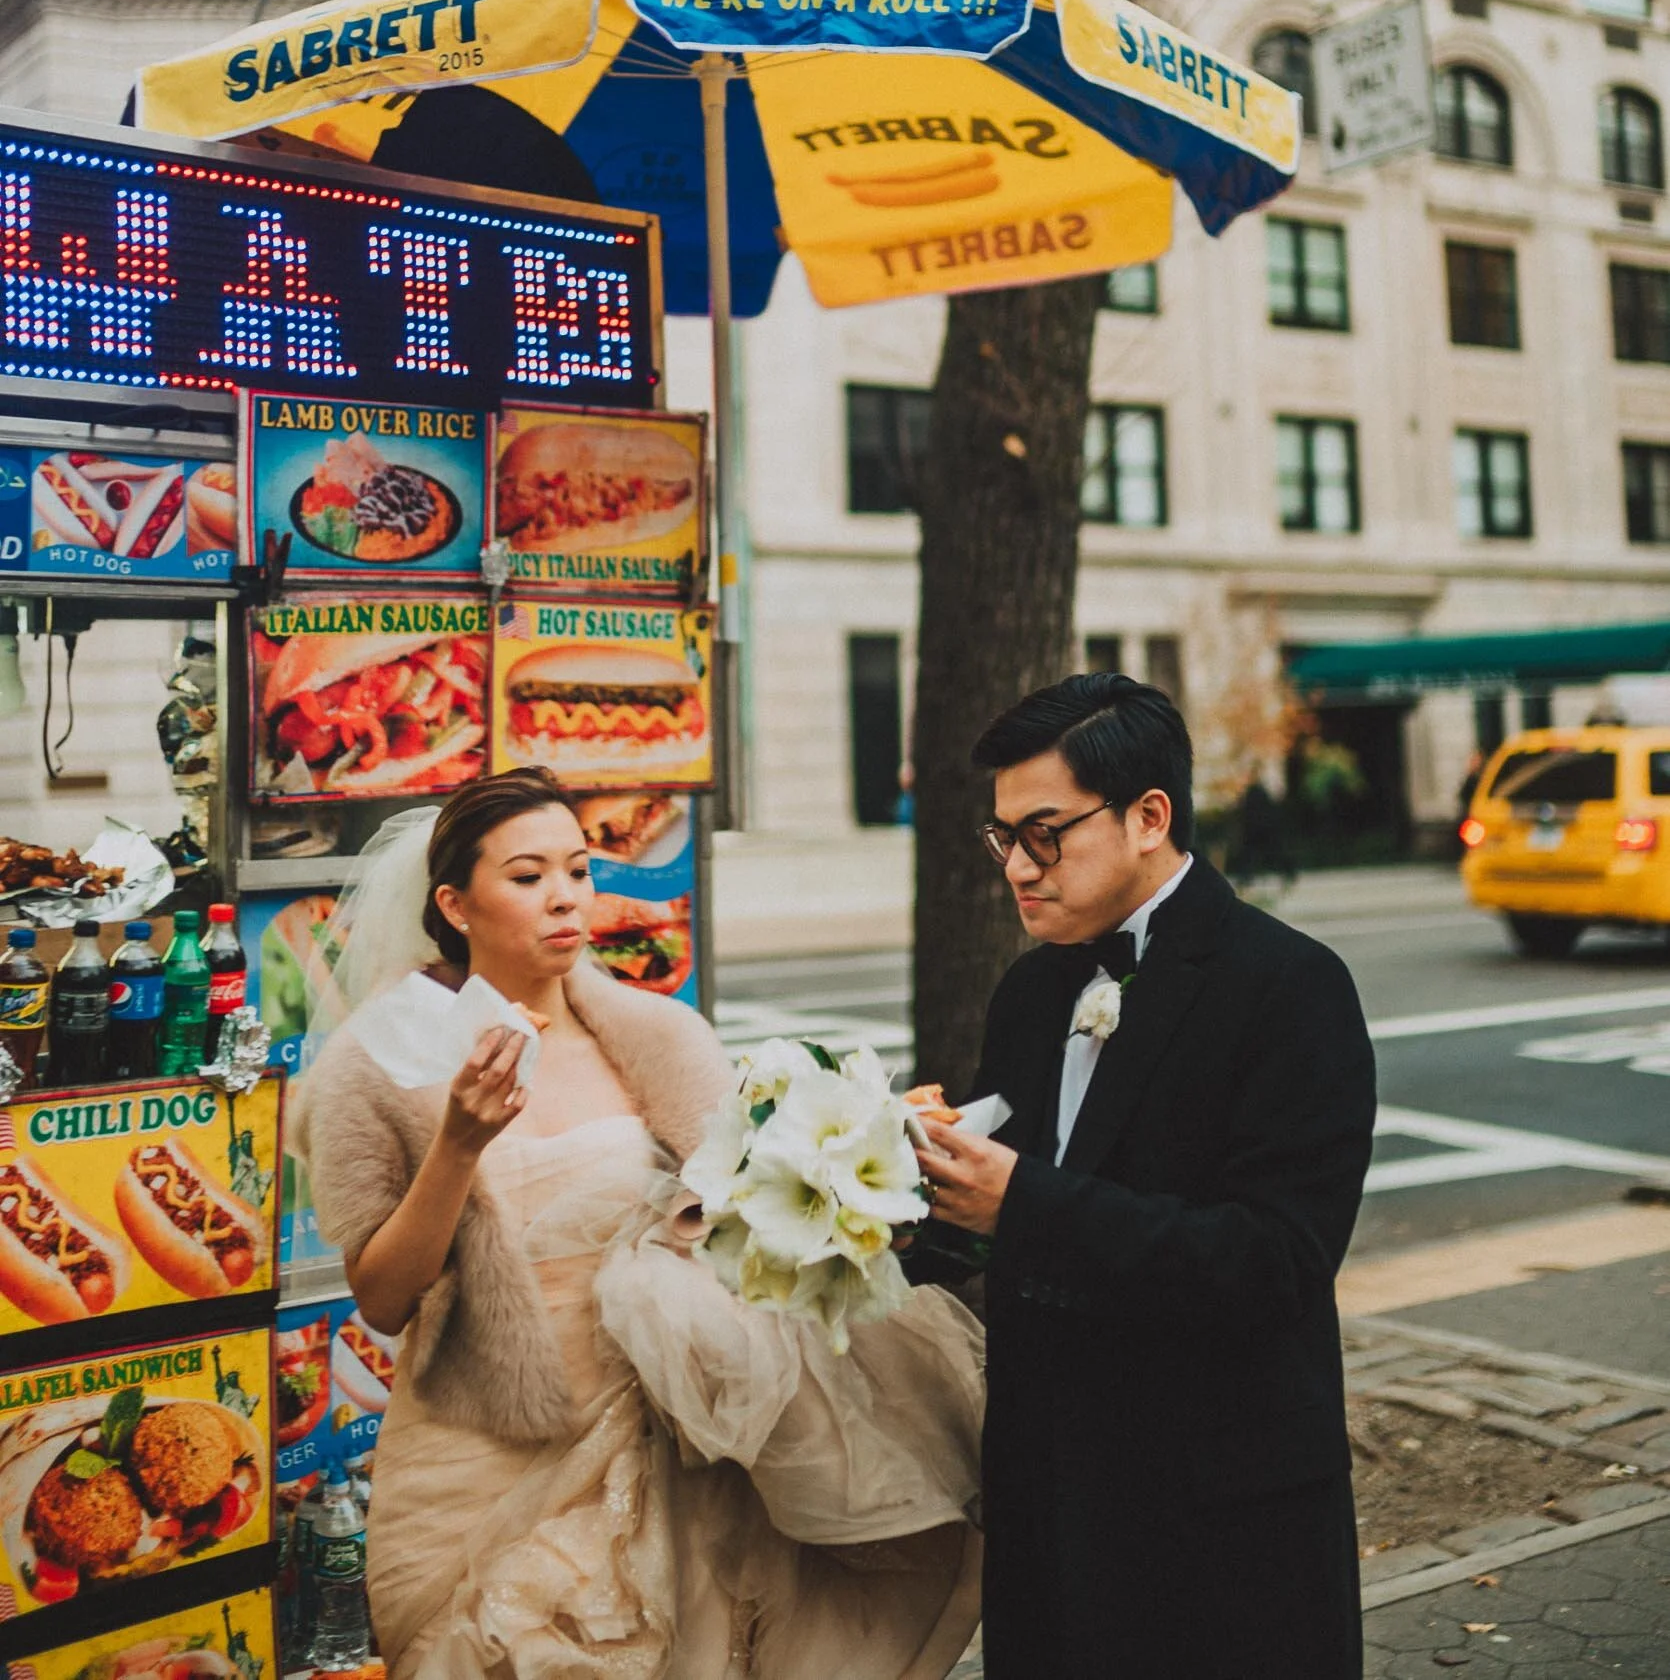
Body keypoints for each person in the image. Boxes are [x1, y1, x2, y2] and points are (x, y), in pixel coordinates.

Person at [294, 768, 983, 1680]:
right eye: (528, 876)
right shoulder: (376, 1065)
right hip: (479, 1446)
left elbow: (743, 1219)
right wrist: (457, 1145)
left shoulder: (659, 1037)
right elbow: (383, 1300)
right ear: (455, 905)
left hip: (664, 1440)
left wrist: (865, 1170)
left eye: (578, 870)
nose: (565, 898)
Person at [916, 673, 1376, 1680]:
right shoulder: (1030, 990)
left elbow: (1274, 1261)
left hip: (1218, 1510)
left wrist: (1020, 1202)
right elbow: (996, 1217)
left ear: (1148, 817)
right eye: (1002, 838)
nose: (1016, 867)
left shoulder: (1290, 985)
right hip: (1050, 1501)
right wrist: (887, 1190)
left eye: (1044, 834)